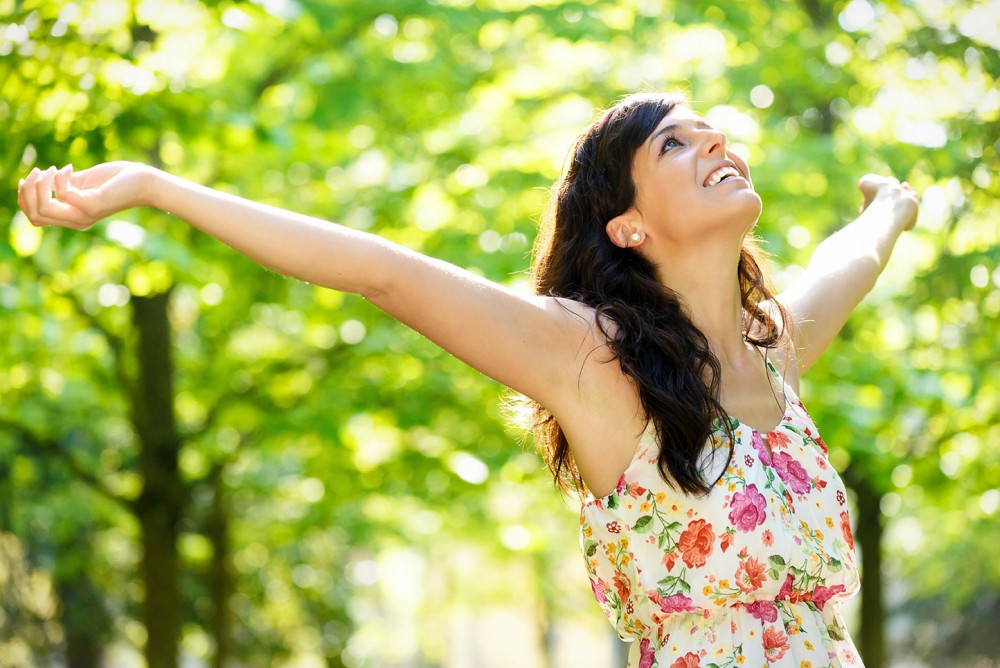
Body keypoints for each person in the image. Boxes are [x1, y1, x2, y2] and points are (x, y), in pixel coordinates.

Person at [17, 92, 918, 667]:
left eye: (708, 129)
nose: (713, 139)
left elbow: (855, 256)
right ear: (628, 227)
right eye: (674, 145)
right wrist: (155, 188)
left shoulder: (774, 350)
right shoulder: (592, 359)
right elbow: (386, 273)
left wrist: (893, 207)